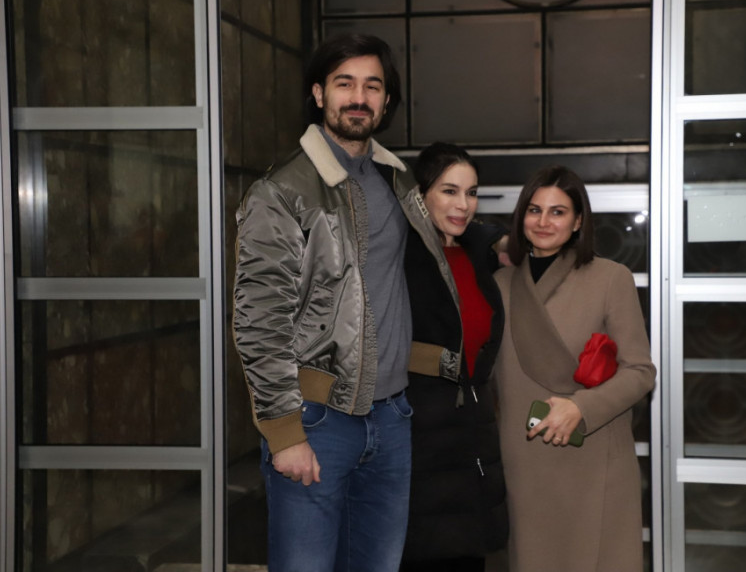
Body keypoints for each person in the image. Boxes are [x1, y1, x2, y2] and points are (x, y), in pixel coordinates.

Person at [232, 34, 443, 572]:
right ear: (319, 93)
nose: (359, 97)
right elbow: (259, 320)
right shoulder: (282, 191)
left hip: (392, 416)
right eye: (344, 83)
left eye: (373, 86)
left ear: (387, 101)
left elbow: (414, 271)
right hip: (317, 422)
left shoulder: (398, 180)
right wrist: (284, 432)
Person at [492, 166, 656, 571]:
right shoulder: (499, 284)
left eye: (558, 212)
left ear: (578, 221)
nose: (543, 222)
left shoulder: (610, 278)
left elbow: (640, 371)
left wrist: (582, 407)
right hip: (524, 460)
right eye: (534, 210)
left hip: (592, 453)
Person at [400, 143, 508, 572]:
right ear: (421, 194)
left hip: (472, 436)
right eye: (449, 191)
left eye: (471, 192)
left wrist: (492, 236)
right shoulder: (399, 254)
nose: (463, 204)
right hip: (417, 436)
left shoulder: (477, 254)